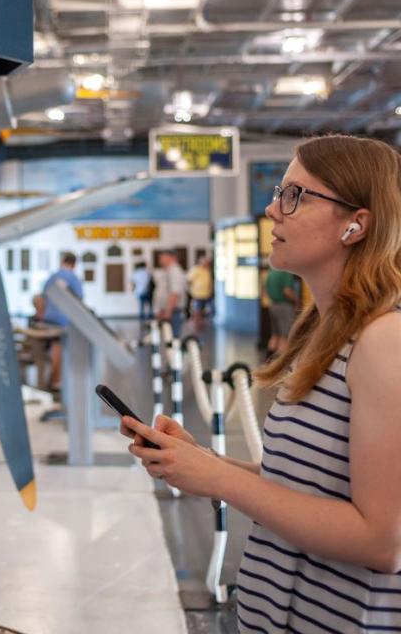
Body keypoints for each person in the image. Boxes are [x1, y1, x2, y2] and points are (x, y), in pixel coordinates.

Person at [121, 135, 401, 632]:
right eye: (280, 191)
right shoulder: (325, 331)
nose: (273, 209)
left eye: (296, 195)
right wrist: (201, 461)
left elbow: (380, 542)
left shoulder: (385, 341)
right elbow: (305, 484)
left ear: (357, 224)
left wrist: (219, 480)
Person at [42, 252, 83, 391]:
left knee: (54, 347)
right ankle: (55, 381)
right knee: (58, 348)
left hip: (49, 318)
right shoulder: (73, 277)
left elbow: (43, 296)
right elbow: (79, 298)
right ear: (73, 264)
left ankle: (53, 379)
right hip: (63, 319)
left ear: (63, 261)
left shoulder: (53, 276)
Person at [264, 266, 299, 356]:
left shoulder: (271, 272)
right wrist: (296, 300)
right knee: (285, 336)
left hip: (273, 305)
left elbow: (265, 288)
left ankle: (268, 361)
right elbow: (287, 291)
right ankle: (280, 364)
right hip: (284, 306)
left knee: (275, 334)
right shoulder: (286, 273)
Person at [157, 249, 186, 338]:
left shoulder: (175, 271)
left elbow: (175, 293)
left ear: (171, 257)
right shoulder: (168, 271)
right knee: (168, 337)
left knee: (174, 338)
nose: (160, 260)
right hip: (168, 310)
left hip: (173, 311)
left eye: (162, 257)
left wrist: (168, 312)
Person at [186, 254, 213, 331]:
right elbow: (188, 280)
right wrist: (192, 289)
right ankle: (196, 323)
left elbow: (209, 282)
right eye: (206, 262)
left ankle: (200, 323)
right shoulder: (195, 269)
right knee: (196, 309)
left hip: (206, 294)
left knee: (203, 310)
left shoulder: (207, 270)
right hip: (197, 294)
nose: (207, 264)